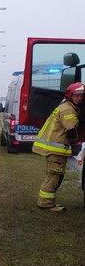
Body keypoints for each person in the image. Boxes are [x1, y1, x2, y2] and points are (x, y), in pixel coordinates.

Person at [32, 82, 85, 212]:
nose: (79, 98)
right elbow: (71, 131)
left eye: (81, 96)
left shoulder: (64, 107)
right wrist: (76, 141)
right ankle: (46, 203)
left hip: (54, 149)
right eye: (76, 95)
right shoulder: (68, 110)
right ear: (70, 96)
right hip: (56, 150)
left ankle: (46, 201)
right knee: (54, 175)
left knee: (54, 175)